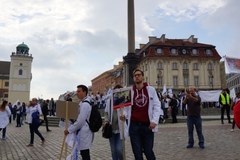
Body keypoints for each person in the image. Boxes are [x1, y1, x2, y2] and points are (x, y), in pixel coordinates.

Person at [121, 68, 161, 160]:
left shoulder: (150, 90)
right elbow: (126, 107)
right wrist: (124, 115)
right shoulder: (130, 91)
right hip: (134, 126)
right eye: (135, 75)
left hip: (147, 126)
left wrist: (154, 121)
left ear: (142, 77)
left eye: (139, 75)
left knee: (148, 151)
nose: (137, 77)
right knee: (137, 153)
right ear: (133, 78)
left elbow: (157, 106)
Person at [64, 85, 93, 160]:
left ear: (84, 92)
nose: (77, 93)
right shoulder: (82, 103)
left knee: (85, 153)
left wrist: (69, 130)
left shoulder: (85, 104)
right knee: (84, 153)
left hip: (84, 132)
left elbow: (80, 121)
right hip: (82, 131)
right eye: (77, 91)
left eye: (79, 91)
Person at [104, 84, 123, 160]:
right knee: (113, 150)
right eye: (116, 91)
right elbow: (106, 112)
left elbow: (128, 113)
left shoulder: (123, 101)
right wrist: (106, 120)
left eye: (119, 91)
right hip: (111, 128)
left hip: (120, 128)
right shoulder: (110, 101)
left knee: (119, 149)